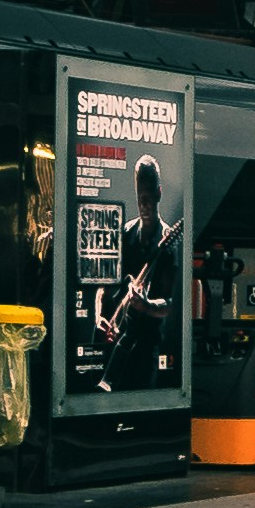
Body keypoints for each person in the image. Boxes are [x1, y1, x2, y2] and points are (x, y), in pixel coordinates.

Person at [98, 155, 182, 390]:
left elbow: (170, 303)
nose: (144, 206)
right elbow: (105, 284)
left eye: (148, 199)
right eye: (140, 200)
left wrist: (145, 306)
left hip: (147, 348)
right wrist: (100, 318)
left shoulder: (167, 243)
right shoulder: (126, 232)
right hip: (116, 340)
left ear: (159, 194)